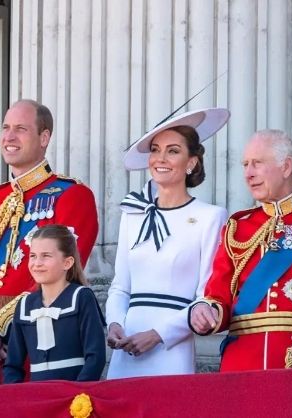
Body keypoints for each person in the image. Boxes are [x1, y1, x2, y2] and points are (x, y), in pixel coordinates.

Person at [188, 129, 292, 371]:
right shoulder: (238, 227)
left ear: (286, 167)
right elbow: (218, 297)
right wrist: (205, 312)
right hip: (241, 365)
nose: (248, 174)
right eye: (245, 165)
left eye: (257, 163)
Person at [0, 99, 98, 361]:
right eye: (6, 128)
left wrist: (0, 328)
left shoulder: (71, 195)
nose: (9, 137)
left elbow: (61, 273)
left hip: (39, 336)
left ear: (44, 138)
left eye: (21, 129)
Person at [105, 108, 229, 378]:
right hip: (127, 347)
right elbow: (120, 286)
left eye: (173, 151)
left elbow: (206, 295)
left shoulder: (210, 217)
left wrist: (158, 334)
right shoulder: (132, 213)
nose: (160, 158)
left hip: (172, 348)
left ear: (191, 163)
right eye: (155, 150)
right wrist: (114, 324)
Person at [4, 225, 105, 382]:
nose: (37, 263)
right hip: (37, 393)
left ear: (67, 263)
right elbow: (12, 365)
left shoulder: (81, 297)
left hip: (76, 393)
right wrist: (19, 394)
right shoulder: (25, 305)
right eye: (33, 256)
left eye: (46, 256)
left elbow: (95, 357)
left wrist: (77, 391)